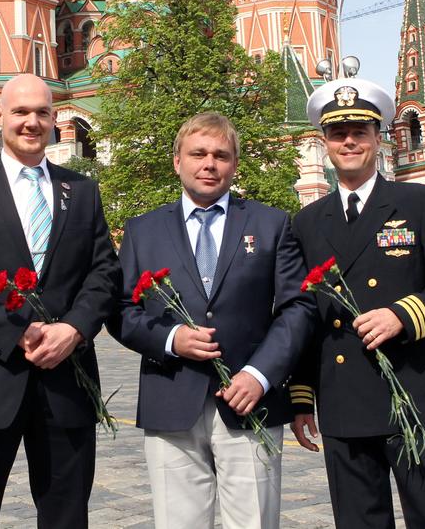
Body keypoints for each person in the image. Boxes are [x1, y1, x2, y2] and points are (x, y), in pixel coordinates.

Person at [0, 74, 121, 529]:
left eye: (42, 113)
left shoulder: (83, 190)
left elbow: (104, 272)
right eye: (21, 112)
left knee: (66, 517)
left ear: (55, 119)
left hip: (67, 382)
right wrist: (17, 332)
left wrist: (73, 329)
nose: (32, 122)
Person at [288, 78, 425, 529]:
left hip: (413, 394)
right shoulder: (308, 222)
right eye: (339, 134)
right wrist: (301, 398)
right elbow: (304, 315)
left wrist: (403, 314)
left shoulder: (418, 203)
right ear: (325, 143)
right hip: (343, 399)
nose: (350, 141)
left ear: (379, 138)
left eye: (361, 131)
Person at [113, 112, 314, 529]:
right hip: (171, 399)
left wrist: (260, 375)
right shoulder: (142, 230)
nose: (210, 163)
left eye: (221, 155)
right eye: (198, 153)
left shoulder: (271, 224)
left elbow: (298, 307)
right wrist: (170, 339)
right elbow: (119, 310)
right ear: (177, 162)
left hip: (250, 402)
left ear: (234, 164)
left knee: (254, 522)